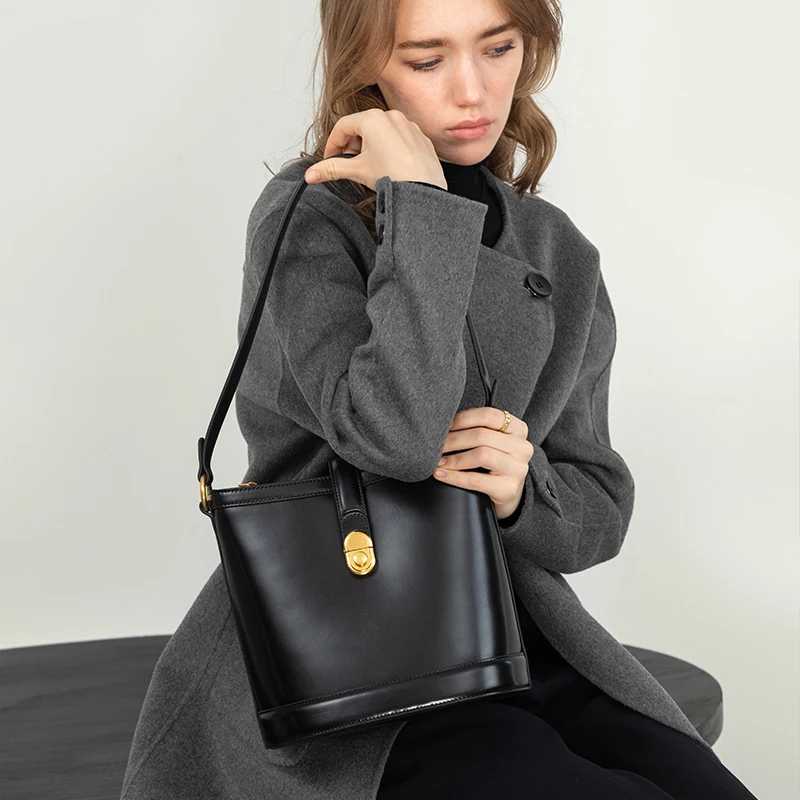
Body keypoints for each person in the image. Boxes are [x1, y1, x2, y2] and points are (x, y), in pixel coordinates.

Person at [119, 1, 760, 798]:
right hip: (356, 666)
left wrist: (524, 491)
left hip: (525, 641)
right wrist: (421, 205)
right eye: (427, 60)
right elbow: (395, 440)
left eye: (498, 48)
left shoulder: (556, 248)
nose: (472, 90)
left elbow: (600, 508)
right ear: (366, 63)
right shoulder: (310, 217)